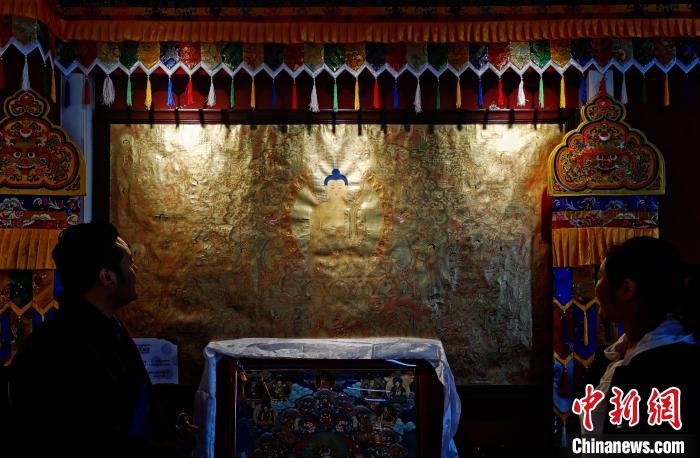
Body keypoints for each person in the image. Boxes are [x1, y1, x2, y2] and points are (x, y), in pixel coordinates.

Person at [8, 223, 196, 458]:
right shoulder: (62, 348)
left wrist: (170, 428)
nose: (136, 269)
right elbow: (95, 438)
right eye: (129, 262)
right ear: (108, 277)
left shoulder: (105, 328)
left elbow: (131, 407)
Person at [581, 236, 699, 436]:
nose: (595, 288)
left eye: (599, 277)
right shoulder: (612, 356)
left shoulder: (677, 366)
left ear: (626, 289)